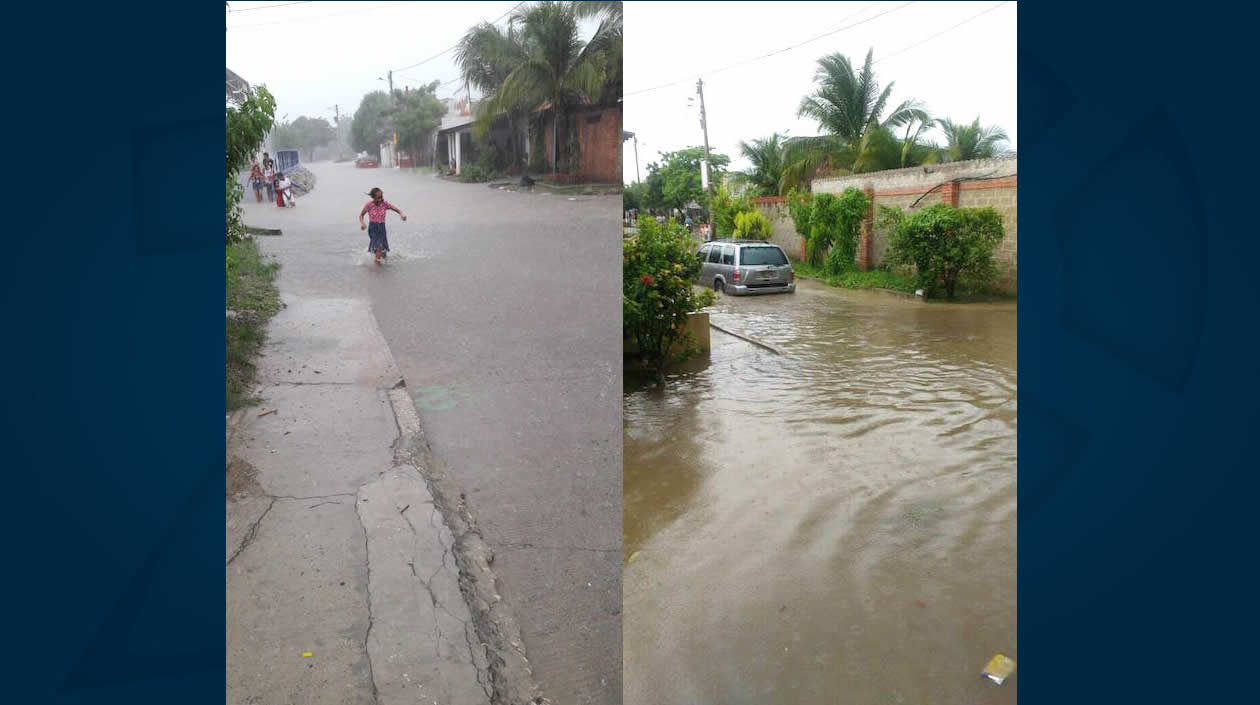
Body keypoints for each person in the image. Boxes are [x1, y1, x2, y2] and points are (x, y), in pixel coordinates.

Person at [359, 187, 406, 264]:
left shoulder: (385, 204)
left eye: (381, 197)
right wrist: (363, 224)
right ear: (373, 197)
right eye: (378, 198)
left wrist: (402, 215)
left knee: (383, 251)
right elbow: (361, 215)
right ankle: (378, 266)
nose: (381, 199)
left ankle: (382, 264)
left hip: (382, 228)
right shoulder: (369, 205)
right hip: (373, 228)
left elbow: (397, 210)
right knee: (379, 246)